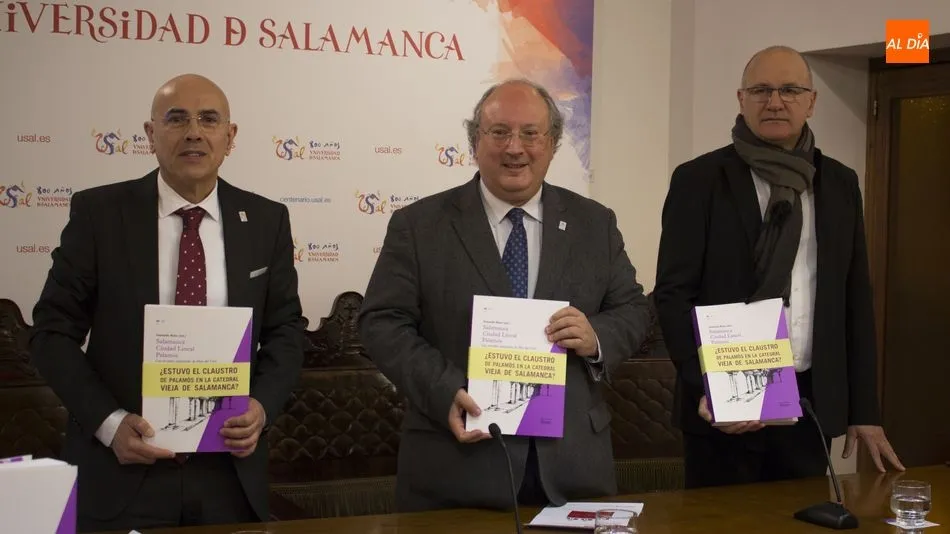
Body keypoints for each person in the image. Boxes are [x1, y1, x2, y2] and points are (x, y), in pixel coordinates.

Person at [358, 78, 652, 512]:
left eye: (531, 133)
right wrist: (445, 389)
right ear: (475, 141)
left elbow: (632, 308)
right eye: (499, 132)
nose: (515, 147)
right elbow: (380, 323)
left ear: (552, 144)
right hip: (455, 468)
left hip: (573, 470)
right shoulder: (419, 225)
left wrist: (597, 337)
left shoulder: (595, 224)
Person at [29, 74, 304, 531]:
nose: (194, 131)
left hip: (228, 477)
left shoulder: (267, 220)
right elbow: (51, 333)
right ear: (150, 134)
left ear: (230, 137)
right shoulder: (100, 214)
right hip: (121, 471)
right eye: (177, 119)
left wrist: (262, 406)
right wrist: (109, 423)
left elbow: (286, 330)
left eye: (209, 119)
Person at [653, 46, 905, 489]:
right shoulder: (699, 180)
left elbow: (854, 298)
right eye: (761, 90)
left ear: (811, 101)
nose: (775, 101)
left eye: (790, 90)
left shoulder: (840, 183)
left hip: (807, 403)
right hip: (721, 407)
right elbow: (673, 295)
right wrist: (706, 385)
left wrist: (864, 411)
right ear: (741, 98)